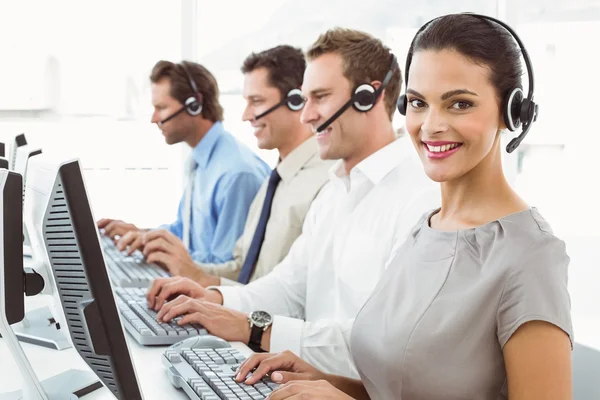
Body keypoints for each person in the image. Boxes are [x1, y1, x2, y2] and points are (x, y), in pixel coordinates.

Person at [234, 14, 573, 400]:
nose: (430, 126)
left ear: (512, 113)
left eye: (459, 103)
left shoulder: (531, 255)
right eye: (417, 103)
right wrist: (325, 381)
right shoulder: (425, 226)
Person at [146, 28, 440, 377]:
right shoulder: (336, 191)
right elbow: (287, 288)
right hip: (300, 381)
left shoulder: (421, 198)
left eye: (320, 97)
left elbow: (385, 344)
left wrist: (254, 329)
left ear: (368, 96)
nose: (306, 115)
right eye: (304, 99)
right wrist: (215, 301)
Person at [152, 45, 333, 287]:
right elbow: (243, 269)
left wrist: (199, 280)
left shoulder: (327, 184)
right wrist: (188, 272)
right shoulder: (275, 180)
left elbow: (288, 296)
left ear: (296, 100)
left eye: (256, 101)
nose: (245, 116)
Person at [97, 61, 270, 266]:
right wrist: (143, 235)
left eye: (161, 108)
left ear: (194, 105)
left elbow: (229, 267)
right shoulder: (201, 159)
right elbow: (186, 233)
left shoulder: (237, 174)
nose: (154, 119)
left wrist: (159, 251)